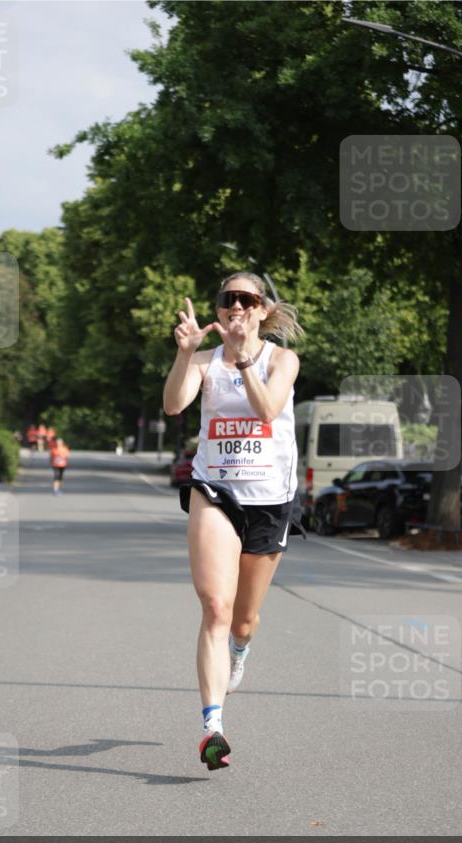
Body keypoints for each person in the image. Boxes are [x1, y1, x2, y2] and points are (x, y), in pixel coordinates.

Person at [163, 272, 305, 772]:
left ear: (262, 310)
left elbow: (267, 411)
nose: (237, 306)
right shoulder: (205, 361)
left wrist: (244, 357)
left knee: (242, 620)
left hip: (269, 500)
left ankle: (240, 649)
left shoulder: (281, 360)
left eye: (247, 299)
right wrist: (185, 353)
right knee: (215, 607)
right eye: (228, 299)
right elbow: (174, 404)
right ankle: (212, 727)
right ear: (219, 309)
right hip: (214, 491)